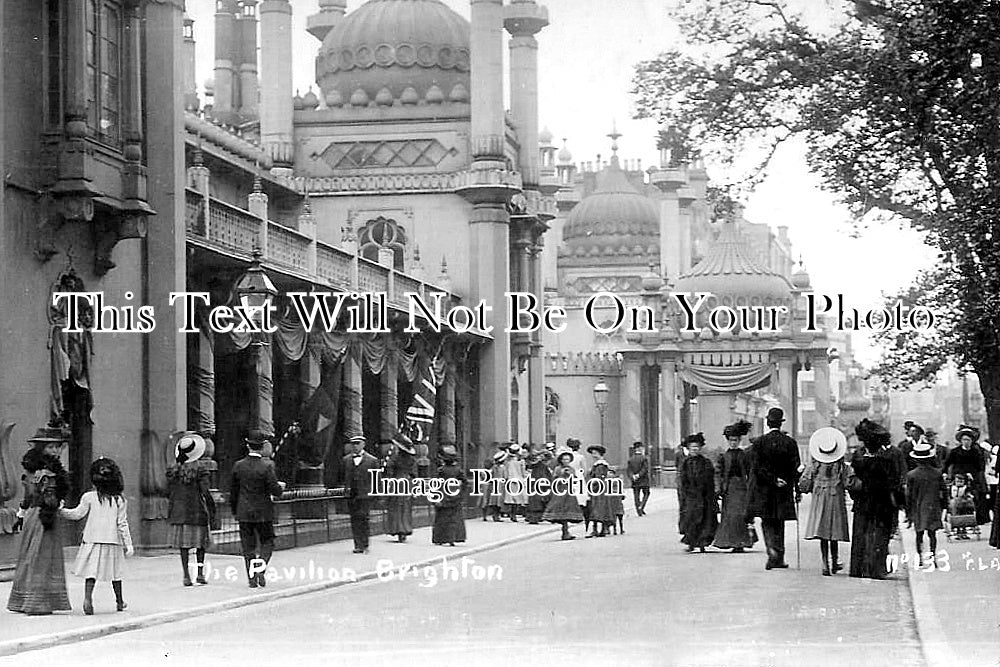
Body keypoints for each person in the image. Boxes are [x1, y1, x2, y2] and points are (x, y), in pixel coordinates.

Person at [7, 425, 71, 615]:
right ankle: (37, 603)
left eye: (57, 447)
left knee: (30, 556)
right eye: (50, 447)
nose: (55, 451)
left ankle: (23, 600)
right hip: (44, 517)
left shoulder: (31, 470)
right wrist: (56, 503)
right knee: (41, 557)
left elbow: (27, 497)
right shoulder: (46, 473)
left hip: (32, 516)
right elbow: (48, 498)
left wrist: (20, 514)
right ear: (41, 449)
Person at [60, 458, 134, 614]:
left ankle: (88, 599)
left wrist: (61, 511)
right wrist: (129, 544)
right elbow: (122, 523)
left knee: (91, 573)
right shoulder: (120, 500)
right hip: (113, 541)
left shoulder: (89, 497)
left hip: (92, 540)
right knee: (116, 574)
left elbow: (77, 514)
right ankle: (119, 601)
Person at [746, 408, 800, 570]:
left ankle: (771, 550)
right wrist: (796, 488)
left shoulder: (759, 443)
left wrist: (772, 479)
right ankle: (779, 556)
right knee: (779, 521)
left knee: (767, 520)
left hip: (765, 489)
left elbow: (757, 468)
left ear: (768, 423)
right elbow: (795, 467)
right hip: (784, 490)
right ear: (780, 423)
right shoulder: (790, 442)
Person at [230, 430, 285, 586]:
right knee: (268, 542)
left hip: (244, 512)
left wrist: (235, 510)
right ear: (262, 447)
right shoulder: (267, 466)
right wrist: (281, 487)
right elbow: (275, 490)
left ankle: (252, 579)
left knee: (248, 546)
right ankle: (261, 567)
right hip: (264, 512)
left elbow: (233, 492)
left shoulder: (238, 466)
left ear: (248, 446)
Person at [848, 419, 898, 579]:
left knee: (861, 535)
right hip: (882, 504)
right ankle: (877, 569)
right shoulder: (886, 460)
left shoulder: (858, 458)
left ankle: (858, 568)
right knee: (879, 536)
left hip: (862, 502)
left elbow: (852, 482)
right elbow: (893, 483)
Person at [798, 428, 851, 576]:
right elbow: (849, 482)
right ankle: (835, 561)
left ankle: (824, 563)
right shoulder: (841, 465)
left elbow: (804, 484)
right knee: (834, 531)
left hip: (820, 498)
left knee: (822, 532)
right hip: (836, 498)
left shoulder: (814, 464)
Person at [166, 432, 216, 586]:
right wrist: (212, 508)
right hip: (197, 510)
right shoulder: (200, 470)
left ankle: (186, 575)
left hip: (179, 511)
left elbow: (168, 490)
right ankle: (200, 573)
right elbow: (205, 491)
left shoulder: (173, 470)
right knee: (201, 544)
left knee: (184, 546)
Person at [712, 420, 756, 553]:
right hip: (728, 489)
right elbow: (718, 473)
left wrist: (750, 487)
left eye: (736, 440)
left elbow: (750, 472)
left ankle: (740, 543)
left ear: (739, 440)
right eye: (731, 440)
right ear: (728, 441)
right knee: (729, 515)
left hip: (742, 488)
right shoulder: (723, 456)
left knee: (740, 515)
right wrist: (718, 488)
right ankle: (730, 541)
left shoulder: (744, 455)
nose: (733, 442)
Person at [906, 438, 948, 566]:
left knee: (919, 533)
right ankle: (933, 556)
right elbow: (944, 491)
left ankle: (919, 558)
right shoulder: (937, 473)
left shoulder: (912, 475)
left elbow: (908, 495)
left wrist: (908, 511)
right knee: (932, 533)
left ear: (916, 459)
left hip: (918, 506)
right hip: (934, 506)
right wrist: (945, 507)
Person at [678, 433, 717, 552]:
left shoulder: (706, 462)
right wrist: (683, 494)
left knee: (704, 518)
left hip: (704, 495)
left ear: (700, 448)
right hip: (690, 495)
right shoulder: (685, 463)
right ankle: (691, 542)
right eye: (692, 447)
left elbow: (710, 479)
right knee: (690, 517)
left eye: (697, 447)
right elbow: (682, 480)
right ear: (688, 449)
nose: (694, 449)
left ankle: (702, 543)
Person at [340, 434, 379, 554]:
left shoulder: (372, 460)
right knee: (354, 519)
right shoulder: (346, 460)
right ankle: (357, 544)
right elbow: (342, 477)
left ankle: (364, 544)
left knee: (364, 519)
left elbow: (376, 479)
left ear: (363, 445)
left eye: (358, 444)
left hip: (365, 495)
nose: (355, 446)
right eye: (353, 444)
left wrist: (376, 495)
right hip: (351, 494)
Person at [944, 425, 989, 525]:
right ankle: (955, 518)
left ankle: (976, 518)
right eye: (964, 440)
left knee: (974, 497)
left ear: (972, 441)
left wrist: (974, 475)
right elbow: (947, 464)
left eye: (968, 440)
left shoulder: (976, 452)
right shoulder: (955, 452)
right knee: (955, 496)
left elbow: (980, 466)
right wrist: (945, 474)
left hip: (972, 477)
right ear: (961, 440)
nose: (966, 442)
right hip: (958, 477)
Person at [542, 452, 585, 540]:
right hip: (560, 491)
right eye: (564, 459)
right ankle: (565, 531)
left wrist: (571, 476)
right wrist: (561, 475)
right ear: (561, 460)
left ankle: (566, 531)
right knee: (560, 508)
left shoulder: (571, 469)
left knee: (568, 509)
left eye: (568, 459)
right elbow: (554, 478)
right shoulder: (558, 468)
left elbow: (575, 479)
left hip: (569, 492)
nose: (566, 461)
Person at [384, 432, 417, 543]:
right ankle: (405, 529)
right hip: (407, 483)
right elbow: (414, 473)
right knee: (406, 507)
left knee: (395, 506)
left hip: (396, 482)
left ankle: (397, 529)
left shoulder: (396, 458)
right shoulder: (412, 460)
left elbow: (388, 468)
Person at [431, 445, 467, 546]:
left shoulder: (441, 471)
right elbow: (465, 482)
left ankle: (441, 538)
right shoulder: (458, 470)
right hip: (455, 497)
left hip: (443, 497)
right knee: (454, 518)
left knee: (442, 519)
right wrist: (460, 493)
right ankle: (453, 538)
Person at [585, 445, 615, 538]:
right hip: (601, 487)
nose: (593, 455)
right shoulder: (599, 464)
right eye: (592, 453)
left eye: (595, 453)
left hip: (598, 488)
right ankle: (602, 528)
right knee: (601, 507)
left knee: (596, 507)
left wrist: (592, 485)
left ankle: (597, 529)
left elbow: (598, 477)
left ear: (599, 454)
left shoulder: (600, 465)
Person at [501, 443, 529, 521]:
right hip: (519, 480)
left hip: (510, 480)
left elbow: (505, 472)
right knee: (519, 498)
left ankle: (511, 514)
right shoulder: (521, 461)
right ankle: (515, 514)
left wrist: (506, 478)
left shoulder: (507, 461)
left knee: (511, 499)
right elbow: (523, 473)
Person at [525, 449, 553, 524]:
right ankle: (534, 517)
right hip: (537, 485)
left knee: (538, 501)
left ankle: (534, 517)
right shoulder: (539, 466)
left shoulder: (542, 466)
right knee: (537, 501)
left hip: (537, 484)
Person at [627, 442, 651, 516]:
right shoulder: (644, 458)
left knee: (636, 495)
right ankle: (641, 506)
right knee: (646, 493)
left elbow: (629, 470)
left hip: (635, 480)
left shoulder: (631, 459)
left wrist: (633, 476)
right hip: (644, 479)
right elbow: (645, 469)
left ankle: (638, 509)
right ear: (640, 448)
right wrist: (639, 475)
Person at [607, 466, 625, 535]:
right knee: (619, 515)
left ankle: (614, 529)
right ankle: (620, 529)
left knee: (613, 515)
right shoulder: (618, 481)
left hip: (612, 501)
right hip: (617, 501)